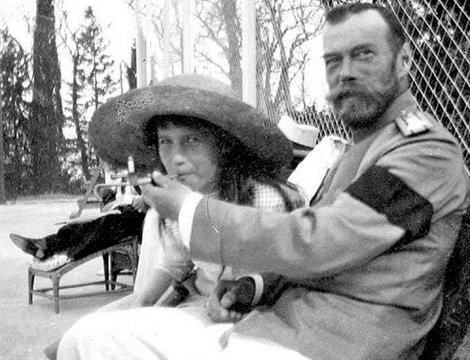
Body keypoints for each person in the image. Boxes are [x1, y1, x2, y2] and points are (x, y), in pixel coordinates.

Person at [70, 3, 470, 360]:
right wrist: (255, 286)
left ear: (404, 61)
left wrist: (190, 210)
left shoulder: (425, 154)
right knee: (90, 337)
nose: (345, 73)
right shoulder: (360, 149)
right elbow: (328, 252)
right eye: (333, 61)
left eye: (363, 55)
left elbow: (321, 241)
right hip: (283, 328)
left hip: (343, 342)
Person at [57, 73, 303, 359]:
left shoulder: (263, 199)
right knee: (85, 336)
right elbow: (175, 263)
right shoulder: (176, 201)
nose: (175, 157)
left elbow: (281, 274)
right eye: (166, 142)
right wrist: (141, 303)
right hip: (198, 308)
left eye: (191, 141)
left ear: (223, 146)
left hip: (256, 318)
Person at [9, 186, 147, 271]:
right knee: (77, 226)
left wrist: (144, 198)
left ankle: (59, 251)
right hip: (136, 213)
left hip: (143, 220)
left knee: (104, 224)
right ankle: (43, 245)